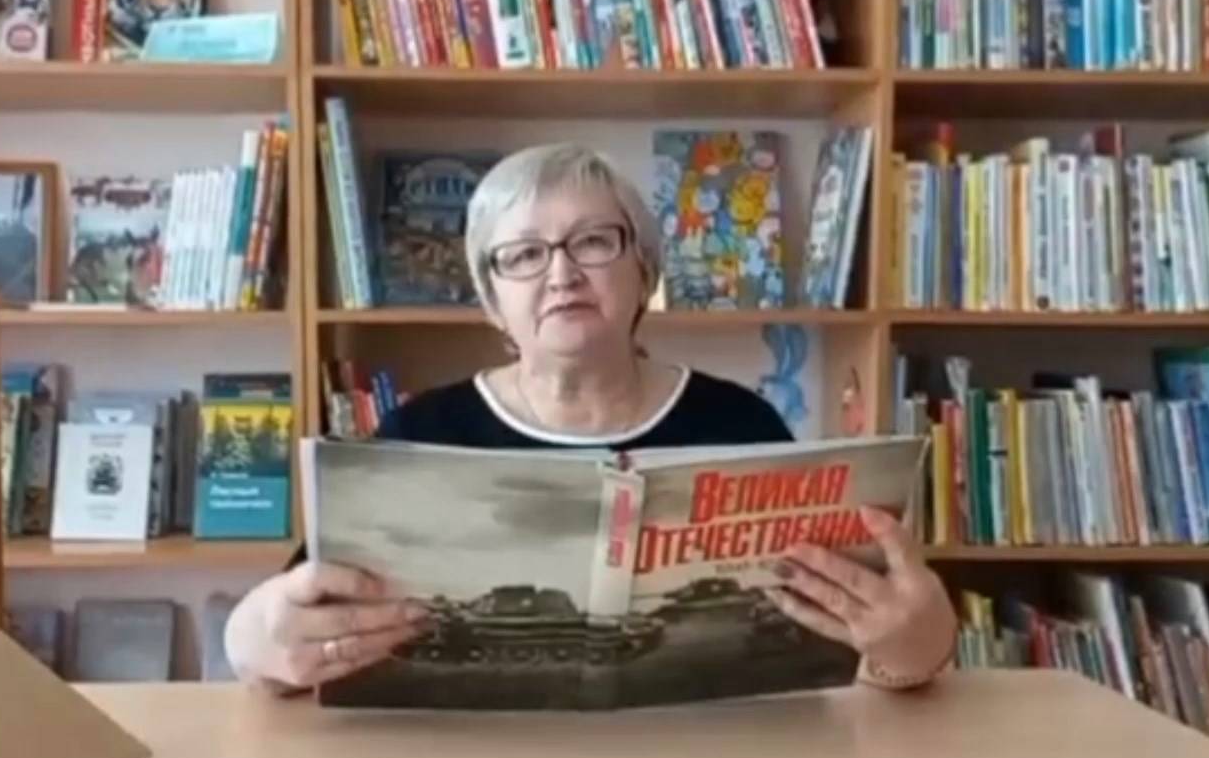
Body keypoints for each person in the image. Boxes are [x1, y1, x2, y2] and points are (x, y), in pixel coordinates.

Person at [224, 143, 957, 695]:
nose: (561, 273)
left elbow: (866, 651)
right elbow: (282, 643)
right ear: (491, 303)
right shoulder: (417, 433)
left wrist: (915, 644)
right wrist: (253, 641)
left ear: (645, 271)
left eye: (594, 242)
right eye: (523, 255)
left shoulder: (740, 421)